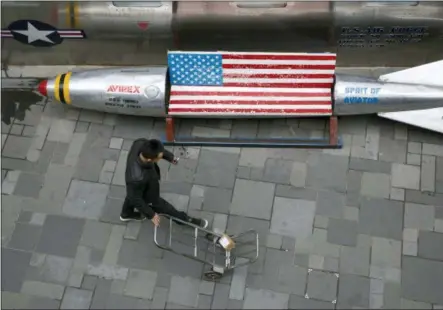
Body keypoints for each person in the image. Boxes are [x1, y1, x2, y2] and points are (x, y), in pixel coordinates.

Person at [120, 138, 208, 229]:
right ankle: (186, 220)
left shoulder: (139, 143)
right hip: (149, 193)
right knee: (166, 208)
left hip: (142, 183)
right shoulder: (137, 179)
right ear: (150, 160)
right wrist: (151, 214)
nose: (161, 156)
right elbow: (134, 198)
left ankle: (126, 214)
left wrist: (169, 157)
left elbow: (157, 149)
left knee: (134, 192)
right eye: (159, 157)